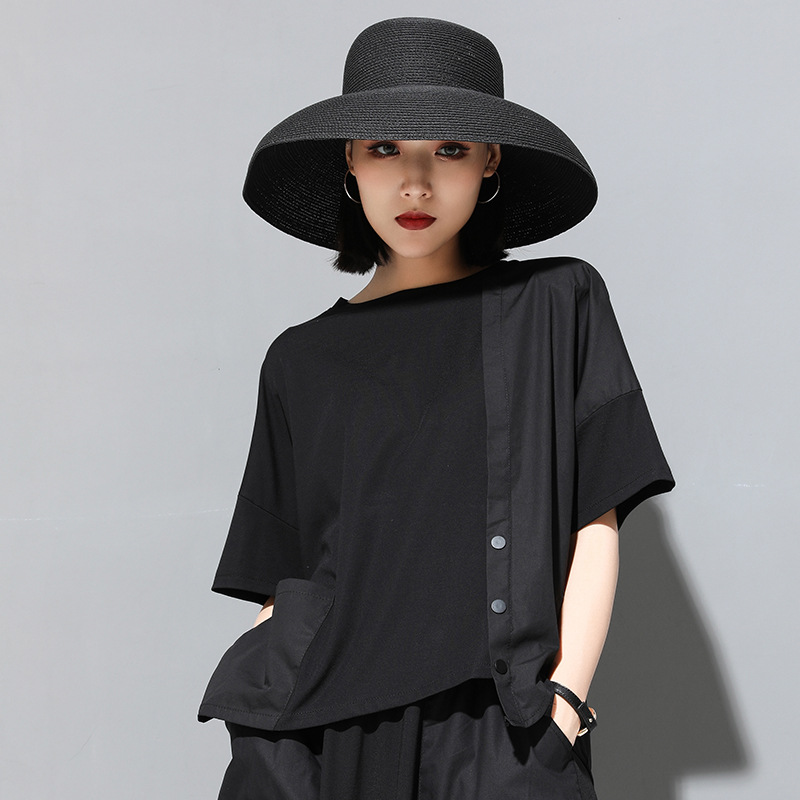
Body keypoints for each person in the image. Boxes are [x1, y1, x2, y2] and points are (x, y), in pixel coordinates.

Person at [198, 17, 675, 800]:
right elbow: (286, 583)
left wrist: (564, 706)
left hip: (501, 727)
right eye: (385, 148)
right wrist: (262, 737)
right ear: (350, 161)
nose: (415, 184)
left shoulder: (556, 303)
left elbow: (596, 521)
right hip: (320, 736)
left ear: (491, 161)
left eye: (449, 149)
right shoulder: (298, 359)